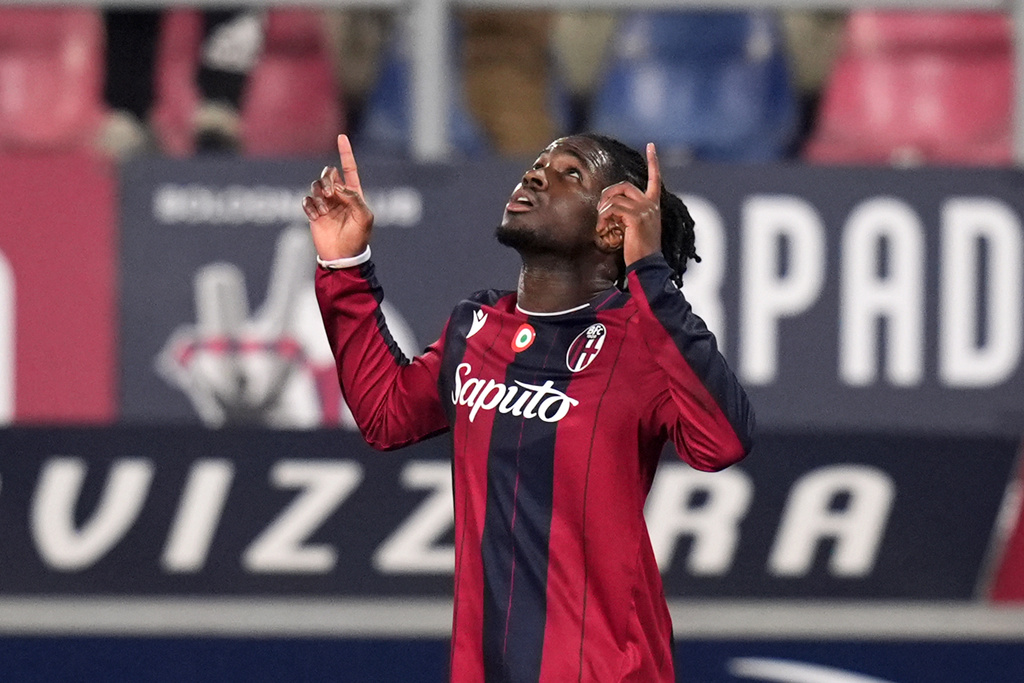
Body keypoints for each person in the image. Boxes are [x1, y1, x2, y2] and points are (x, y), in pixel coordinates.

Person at [305, 133, 755, 681]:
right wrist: (344, 263)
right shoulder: (477, 326)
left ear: (612, 227)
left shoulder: (641, 340)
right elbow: (386, 414)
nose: (536, 175)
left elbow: (723, 441)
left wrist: (651, 273)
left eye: (571, 174)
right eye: (538, 164)